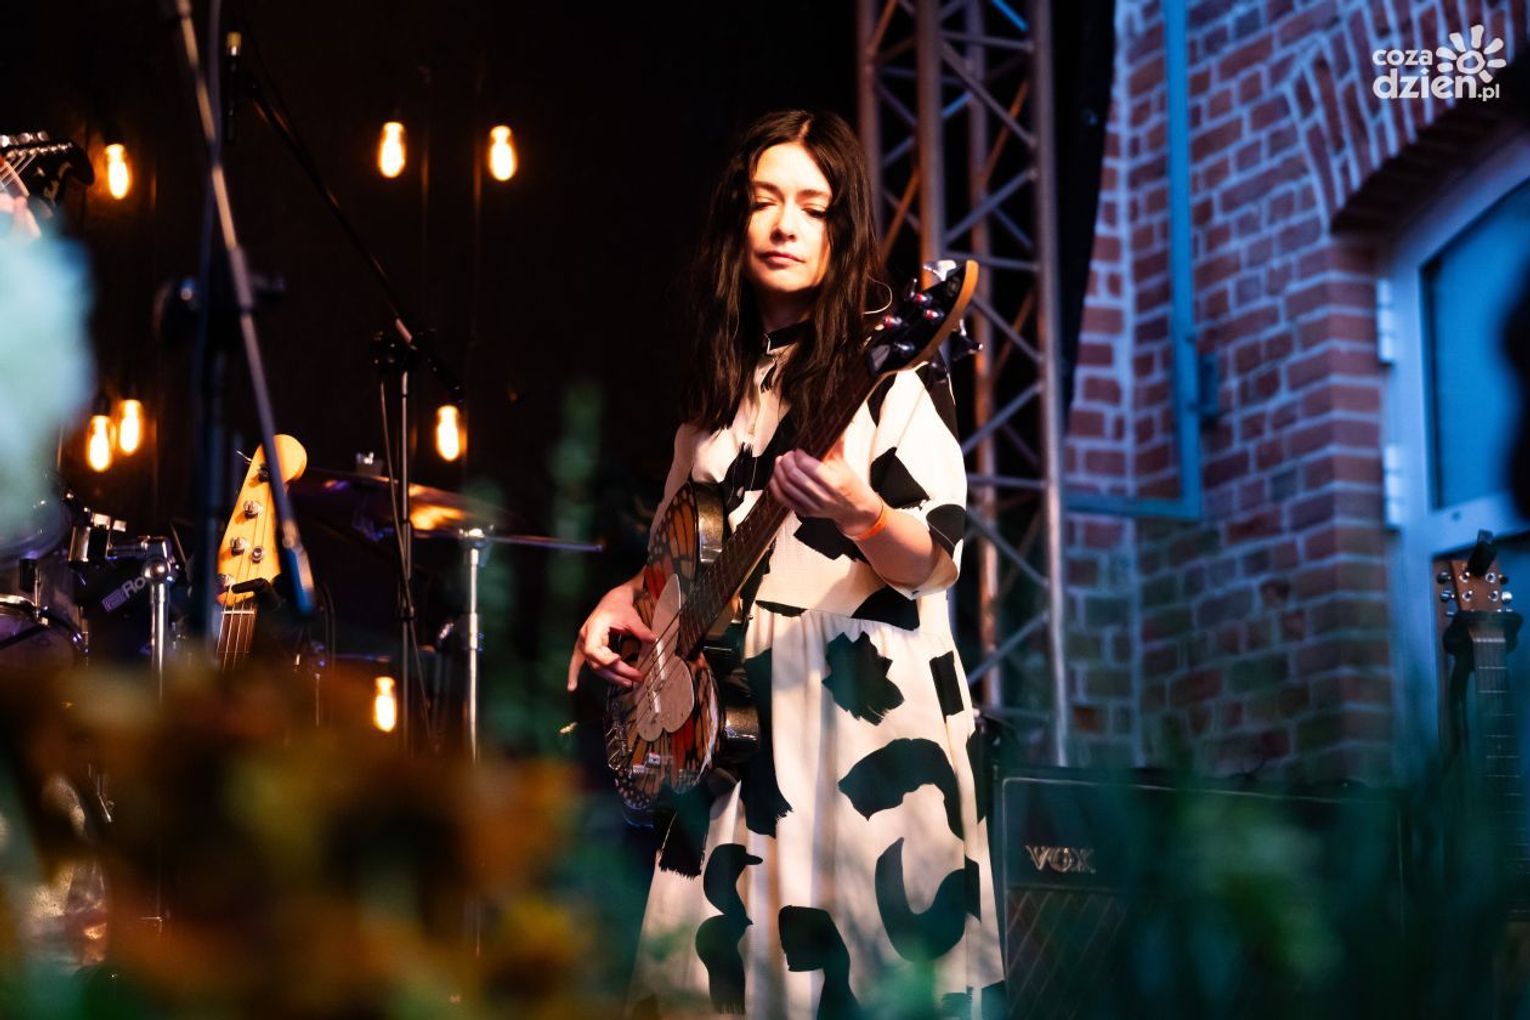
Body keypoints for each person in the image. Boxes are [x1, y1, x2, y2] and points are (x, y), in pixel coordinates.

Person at [570, 109, 1003, 1018]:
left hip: (858, 730)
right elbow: (674, 576)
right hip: (728, 747)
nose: (785, 224)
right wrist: (621, 601)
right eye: (765, 201)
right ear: (736, 223)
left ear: (843, 231)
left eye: (813, 206)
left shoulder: (890, 374)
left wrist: (861, 512)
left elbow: (933, 558)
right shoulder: (710, 410)